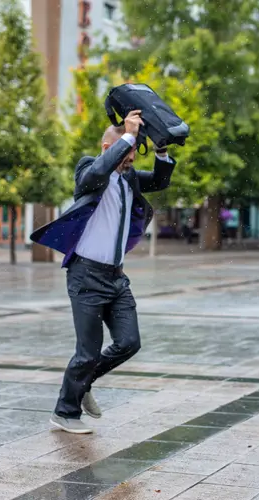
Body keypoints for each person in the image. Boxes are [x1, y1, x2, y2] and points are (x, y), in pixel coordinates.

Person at [30, 110, 176, 434]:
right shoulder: (89, 168)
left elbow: (162, 180)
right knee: (88, 351)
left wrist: (162, 150)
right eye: (123, 150)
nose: (128, 157)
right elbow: (94, 174)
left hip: (115, 277)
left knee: (129, 341)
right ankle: (64, 412)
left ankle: (85, 382)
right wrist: (127, 136)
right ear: (107, 145)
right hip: (85, 276)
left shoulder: (130, 178)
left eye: (132, 152)